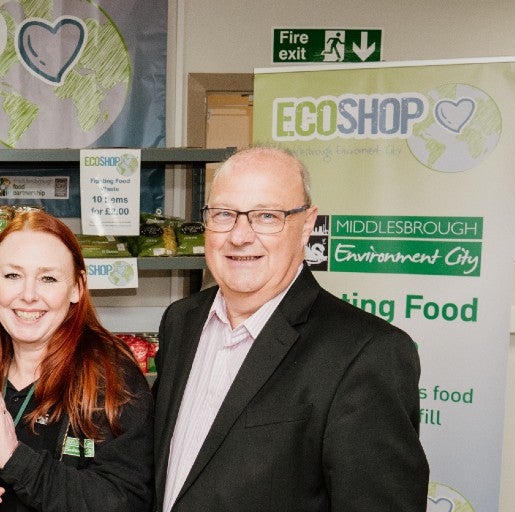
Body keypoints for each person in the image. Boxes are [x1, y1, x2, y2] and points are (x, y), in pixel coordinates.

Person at [152, 146, 428, 511]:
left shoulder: (367, 353)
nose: (239, 236)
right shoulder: (180, 321)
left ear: (308, 224)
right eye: (224, 214)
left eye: (267, 216)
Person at [0, 209, 154, 512]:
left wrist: (17, 460)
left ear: (77, 287)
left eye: (48, 278)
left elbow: (124, 500)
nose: (28, 295)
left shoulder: (112, 375)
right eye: (13, 275)